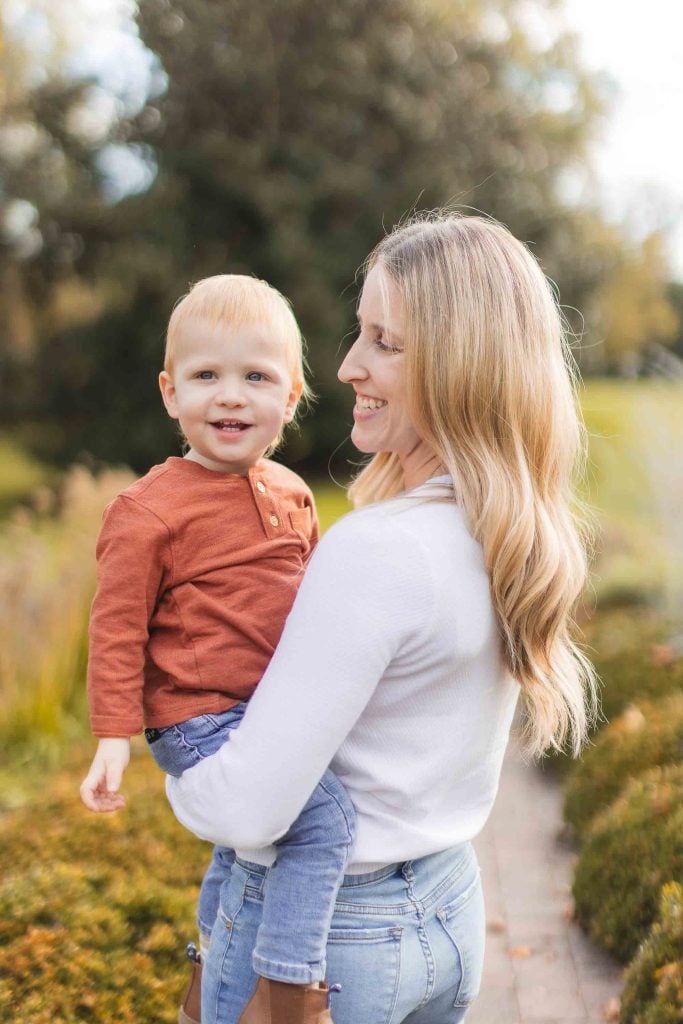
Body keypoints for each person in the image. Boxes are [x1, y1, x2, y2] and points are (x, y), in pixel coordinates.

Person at [166, 212, 598, 1024]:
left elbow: (249, 810)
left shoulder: (377, 551)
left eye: (384, 343)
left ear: (460, 366)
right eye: (359, 333)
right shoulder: (506, 532)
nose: (346, 365)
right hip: (444, 907)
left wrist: (175, 763)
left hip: (323, 947)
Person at [79, 275, 356, 1024]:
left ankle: (209, 976)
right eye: (206, 376)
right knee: (322, 818)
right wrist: (113, 736)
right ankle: (289, 991)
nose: (229, 396)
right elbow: (115, 628)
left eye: (255, 377)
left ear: (291, 396)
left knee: (244, 853)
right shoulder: (147, 511)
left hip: (267, 709)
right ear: (170, 393)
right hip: (198, 718)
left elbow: (319, 608)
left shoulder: (293, 492)